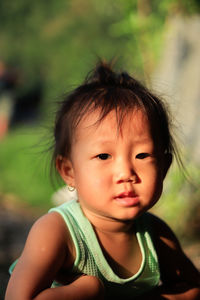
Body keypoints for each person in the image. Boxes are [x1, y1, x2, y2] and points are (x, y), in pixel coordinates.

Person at [5, 61, 200, 300]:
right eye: (104, 156)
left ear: (163, 167)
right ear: (69, 171)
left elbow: (191, 286)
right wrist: (86, 291)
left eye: (142, 155)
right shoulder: (58, 231)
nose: (125, 172)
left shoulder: (155, 234)